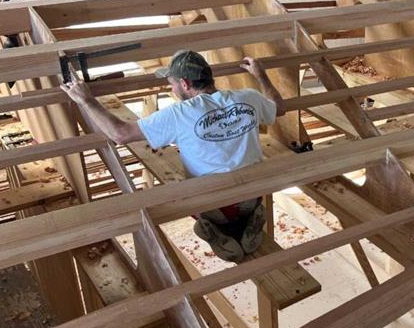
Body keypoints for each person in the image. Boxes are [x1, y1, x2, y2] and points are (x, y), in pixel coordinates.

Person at [60, 49, 286, 263]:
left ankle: (218, 228)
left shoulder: (179, 114)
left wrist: (86, 100)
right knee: (242, 190)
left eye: (172, 83)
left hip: (212, 202)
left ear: (185, 84)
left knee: (192, 196)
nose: (172, 88)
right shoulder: (247, 97)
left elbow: (120, 134)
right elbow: (280, 108)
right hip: (253, 192)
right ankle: (248, 219)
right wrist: (261, 75)